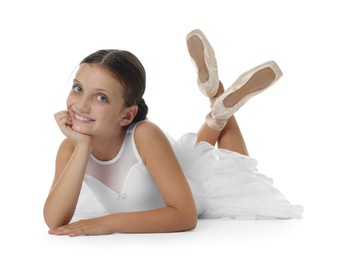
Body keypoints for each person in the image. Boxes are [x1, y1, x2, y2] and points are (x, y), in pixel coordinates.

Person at [44, 29, 303, 236]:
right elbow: (54, 220)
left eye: (101, 97)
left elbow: (185, 215)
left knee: (236, 165)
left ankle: (218, 98)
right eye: (78, 89)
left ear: (127, 115)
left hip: (199, 193)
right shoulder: (70, 148)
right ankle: (217, 110)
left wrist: (108, 223)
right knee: (194, 155)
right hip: (169, 172)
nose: (81, 105)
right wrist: (82, 146)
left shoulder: (145, 134)